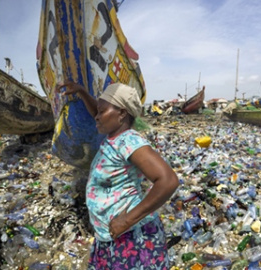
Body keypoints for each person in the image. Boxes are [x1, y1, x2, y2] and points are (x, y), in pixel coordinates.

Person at [56, 81, 179, 269]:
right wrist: (81, 91)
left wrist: (127, 220)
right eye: (97, 111)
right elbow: (100, 113)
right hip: (112, 234)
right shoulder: (114, 136)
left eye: (101, 112)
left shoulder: (129, 141)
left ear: (122, 113)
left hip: (132, 237)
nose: (96, 117)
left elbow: (168, 180)